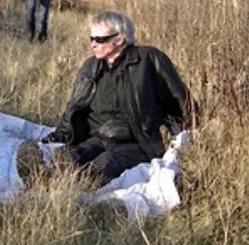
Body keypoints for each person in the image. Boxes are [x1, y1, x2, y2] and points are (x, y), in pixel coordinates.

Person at [41, 10, 198, 186]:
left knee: (104, 165)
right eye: (91, 39)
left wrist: (193, 132)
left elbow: (180, 99)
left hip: (136, 141)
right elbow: (74, 106)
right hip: (98, 138)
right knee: (66, 157)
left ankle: (77, 189)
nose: (93, 44)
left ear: (120, 39)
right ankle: (39, 177)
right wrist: (58, 136)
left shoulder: (149, 59)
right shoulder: (90, 66)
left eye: (100, 39)